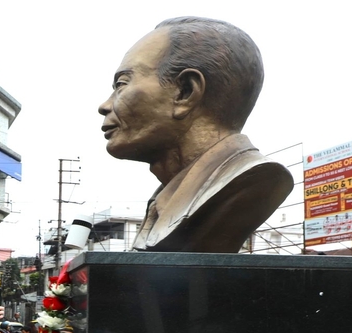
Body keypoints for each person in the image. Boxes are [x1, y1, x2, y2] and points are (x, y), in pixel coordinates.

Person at [100, 17, 293, 253]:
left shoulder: (250, 179)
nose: (105, 105)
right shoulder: (162, 201)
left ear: (185, 92)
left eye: (122, 84)